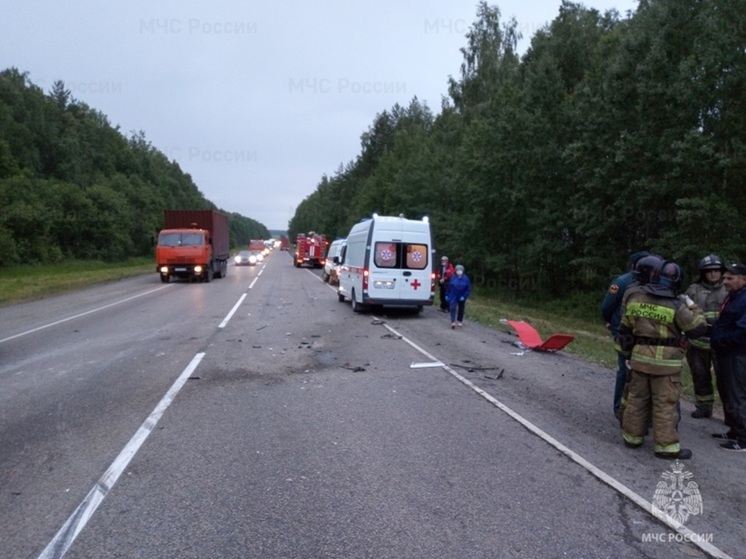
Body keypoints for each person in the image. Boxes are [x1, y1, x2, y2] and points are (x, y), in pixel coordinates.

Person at [619, 260, 707, 460]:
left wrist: (626, 355)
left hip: (639, 359)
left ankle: (632, 438)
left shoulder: (635, 299)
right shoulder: (676, 305)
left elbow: (625, 330)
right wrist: (693, 307)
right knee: (664, 405)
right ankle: (666, 448)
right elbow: (698, 329)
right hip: (666, 367)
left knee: (636, 399)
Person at [601, 251, 650, 417]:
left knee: (633, 370)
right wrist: (611, 322)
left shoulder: (644, 281)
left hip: (635, 332)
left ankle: (629, 409)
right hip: (625, 331)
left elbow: (607, 306)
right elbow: (607, 306)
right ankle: (621, 408)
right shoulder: (622, 282)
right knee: (627, 369)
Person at [684, 254, 727, 418]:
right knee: (700, 376)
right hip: (697, 343)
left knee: (726, 380)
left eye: (716, 270)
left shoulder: (728, 289)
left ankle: (730, 413)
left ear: (722, 271)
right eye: (709, 271)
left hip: (723, 345)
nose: (713, 274)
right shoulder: (693, 290)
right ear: (703, 273)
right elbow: (684, 314)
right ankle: (704, 406)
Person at [710, 263, 746, 452]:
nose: (725, 282)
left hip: (737, 354)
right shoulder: (733, 298)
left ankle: (744, 437)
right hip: (725, 353)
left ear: (743, 279)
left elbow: (742, 330)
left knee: (737, 394)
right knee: (726, 392)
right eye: (725, 278)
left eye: (730, 278)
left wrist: (722, 341)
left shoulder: (744, 300)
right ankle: (734, 430)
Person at [446, 264, 471, 328]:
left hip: (462, 295)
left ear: (463, 271)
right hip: (453, 295)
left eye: (460, 270)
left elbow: (468, 289)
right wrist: (447, 294)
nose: (459, 271)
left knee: (461, 308)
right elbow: (449, 287)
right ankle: (453, 322)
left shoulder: (466, 279)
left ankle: (459, 320)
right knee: (453, 307)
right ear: (455, 271)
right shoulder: (453, 277)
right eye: (458, 270)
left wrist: (464, 296)